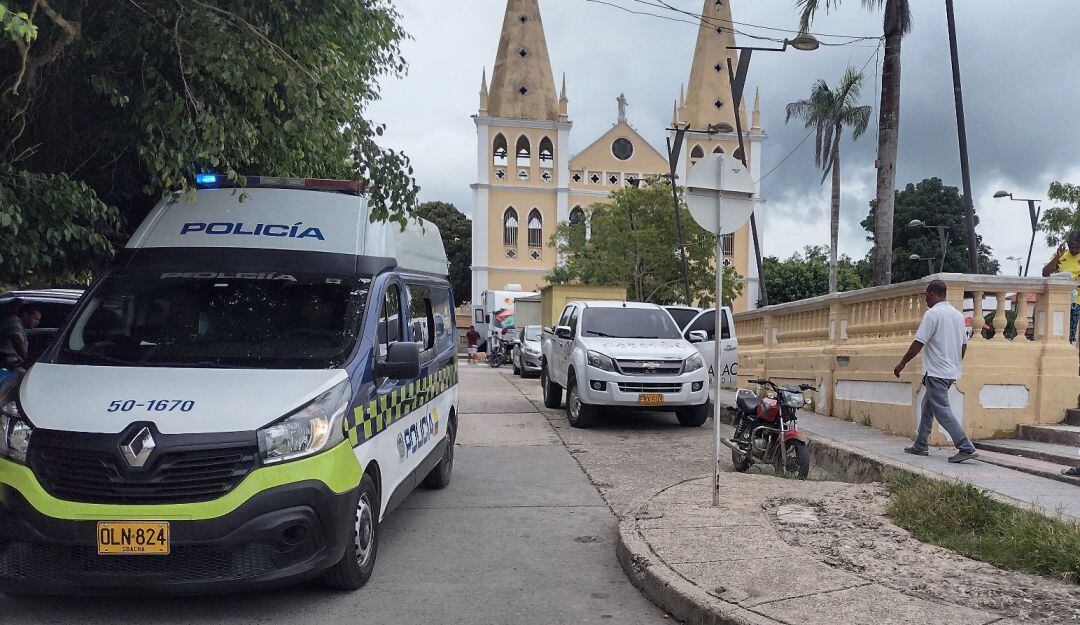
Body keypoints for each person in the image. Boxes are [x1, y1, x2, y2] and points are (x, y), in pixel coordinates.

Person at [894, 280, 978, 463]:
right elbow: (964, 345)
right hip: (948, 372)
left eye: (926, 296)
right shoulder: (957, 315)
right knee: (927, 406)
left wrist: (902, 363)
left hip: (937, 372)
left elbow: (919, 343)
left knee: (941, 410)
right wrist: (954, 363)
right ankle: (920, 444)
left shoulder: (933, 314)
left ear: (932, 293)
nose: (925, 300)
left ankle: (965, 447)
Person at [1042, 230, 1080, 344]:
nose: (1073, 250)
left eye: (1077, 247)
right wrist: (1057, 258)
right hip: (1057, 299)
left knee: (1069, 334)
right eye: (1071, 247)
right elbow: (1045, 273)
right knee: (1053, 330)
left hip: (1076, 302)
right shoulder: (1061, 255)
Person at [0, 300, 42, 372]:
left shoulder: (20, 325)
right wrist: (27, 359)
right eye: (35, 318)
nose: (37, 323)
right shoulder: (14, 322)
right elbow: (17, 339)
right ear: (25, 315)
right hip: (5, 360)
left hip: (12, 360)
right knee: (24, 374)